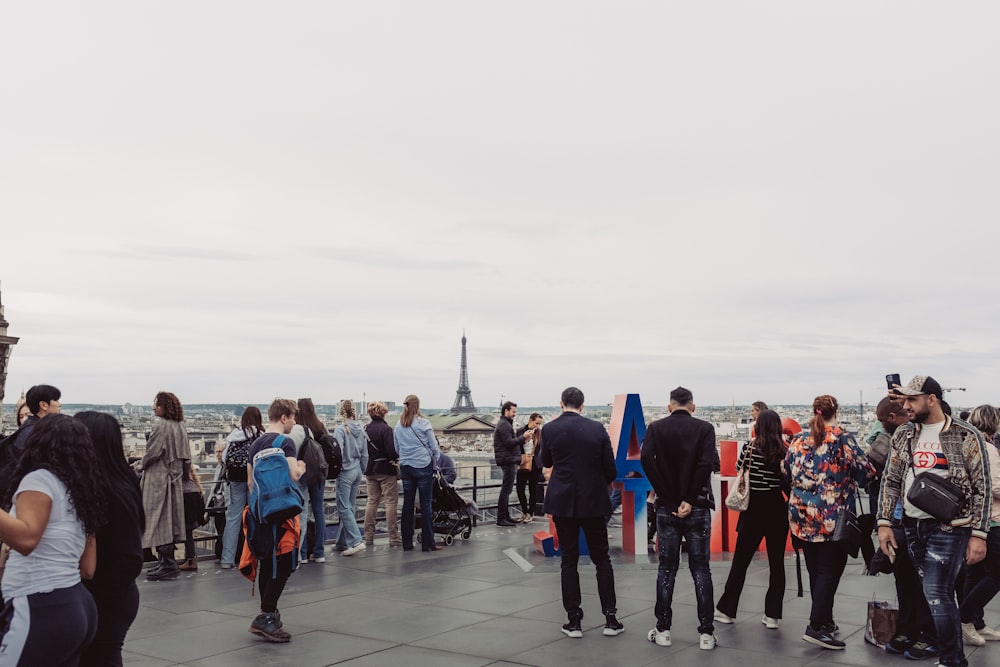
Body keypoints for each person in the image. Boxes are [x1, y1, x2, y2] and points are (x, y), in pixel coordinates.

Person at [877, 376, 990, 667]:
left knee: (937, 593)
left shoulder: (965, 434)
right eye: (904, 400)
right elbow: (890, 480)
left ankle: (952, 660)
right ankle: (952, 657)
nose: (905, 405)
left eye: (912, 399)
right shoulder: (904, 433)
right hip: (912, 526)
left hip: (950, 527)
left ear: (932, 399)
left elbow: (982, 488)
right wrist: (885, 523)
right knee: (936, 595)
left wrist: (979, 534)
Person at [0, 414, 104, 664]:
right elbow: (88, 568)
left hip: (40, 604)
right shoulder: (78, 491)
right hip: (78, 605)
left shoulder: (39, 480)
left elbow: (26, 539)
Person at [784, 394, 874, 650]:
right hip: (832, 517)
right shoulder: (841, 438)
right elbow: (866, 472)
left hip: (801, 515)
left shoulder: (799, 440)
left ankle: (825, 620)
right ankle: (814, 626)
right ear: (837, 411)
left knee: (817, 570)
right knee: (831, 570)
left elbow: (786, 469)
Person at [640, 386, 720, 650]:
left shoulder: (656, 428)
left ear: (669, 406)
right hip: (697, 507)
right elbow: (706, 464)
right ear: (693, 406)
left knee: (666, 568)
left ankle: (663, 629)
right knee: (701, 569)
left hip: (667, 508)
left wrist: (671, 498)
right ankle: (706, 633)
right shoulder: (705, 429)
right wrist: (689, 498)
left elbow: (645, 460)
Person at [540, 387, 622, 639]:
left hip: (563, 501)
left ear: (561, 403)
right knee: (602, 559)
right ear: (583, 405)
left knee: (569, 561)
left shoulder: (550, 429)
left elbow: (545, 462)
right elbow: (610, 468)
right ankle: (610, 618)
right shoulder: (596, 428)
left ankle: (573, 621)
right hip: (593, 501)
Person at [75, 411, 145, 666]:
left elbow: (128, 559)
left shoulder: (108, 490)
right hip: (116, 594)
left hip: (107, 596)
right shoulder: (122, 480)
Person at [872, 396, 938, 659]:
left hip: (926, 520)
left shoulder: (929, 437)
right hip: (901, 519)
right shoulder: (899, 438)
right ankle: (909, 628)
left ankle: (928, 633)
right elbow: (890, 481)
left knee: (928, 583)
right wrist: (885, 521)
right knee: (905, 578)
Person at [714, 409, 789, 629]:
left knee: (741, 562)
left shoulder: (749, 447)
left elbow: (740, 470)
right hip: (776, 509)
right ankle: (772, 615)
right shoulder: (784, 450)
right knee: (777, 564)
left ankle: (727, 610)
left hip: (753, 509)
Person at [241, 398, 306, 643]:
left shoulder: (255, 445)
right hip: (283, 511)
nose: (294, 422)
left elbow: (249, 483)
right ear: (283, 417)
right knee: (287, 560)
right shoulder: (285, 443)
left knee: (268, 560)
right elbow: (293, 474)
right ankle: (267, 614)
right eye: (293, 418)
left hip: (261, 511)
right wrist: (301, 466)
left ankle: (268, 613)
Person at [959, 404, 1000, 645]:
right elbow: (995, 486)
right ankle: (965, 618)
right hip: (992, 519)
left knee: (974, 574)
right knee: (996, 574)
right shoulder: (988, 449)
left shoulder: (969, 444)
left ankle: (976, 622)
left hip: (973, 519)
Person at [139, 391, 190, 581]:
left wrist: (137, 465)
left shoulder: (160, 425)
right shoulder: (180, 426)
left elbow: (152, 453)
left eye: (157, 405)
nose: (154, 408)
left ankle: (166, 562)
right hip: (175, 478)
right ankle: (167, 561)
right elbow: (186, 458)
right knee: (170, 520)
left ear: (164, 407)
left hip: (158, 478)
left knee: (156, 519)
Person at [394, 394, 441, 552]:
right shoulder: (423, 423)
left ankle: (407, 542)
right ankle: (428, 543)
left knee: (408, 505)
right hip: (423, 466)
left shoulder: (398, 425)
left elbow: (396, 448)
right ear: (418, 406)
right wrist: (435, 460)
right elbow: (434, 447)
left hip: (406, 467)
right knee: (426, 505)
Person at [220, 407, 263, 569]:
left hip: (236, 479)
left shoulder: (235, 435)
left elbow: (225, 458)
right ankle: (254, 556)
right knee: (255, 517)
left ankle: (227, 559)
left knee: (233, 518)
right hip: (255, 480)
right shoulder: (261, 436)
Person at [0, 384, 61, 497]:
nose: (59, 404)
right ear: (43, 405)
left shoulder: (32, 430)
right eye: (56, 400)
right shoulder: (34, 433)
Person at [332, 400, 369, 557]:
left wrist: (337, 469)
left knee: (343, 506)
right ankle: (342, 541)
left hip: (345, 471)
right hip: (357, 471)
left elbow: (337, 453)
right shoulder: (361, 429)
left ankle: (355, 541)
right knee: (350, 506)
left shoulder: (340, 430)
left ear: (341, 413)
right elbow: (365, 454)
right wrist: (362, 469)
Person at [295, 398, 329, 562]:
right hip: (318, 472)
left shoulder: (297, 429)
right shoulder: (320, 426)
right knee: (319, 511)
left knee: (302, 512)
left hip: (302, 472)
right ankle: (320, 552)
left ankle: (302, 552)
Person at [363, 401, 401, 546]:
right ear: (384, 412)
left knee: (372, 502)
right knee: (390, 502)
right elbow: (391, 451)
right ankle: (393, 536)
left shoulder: (365, 428)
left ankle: (368, 536)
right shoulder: (386, 429)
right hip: (385, 469)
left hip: (370, 469)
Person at [492, 401, 533, 526]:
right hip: (508, 460)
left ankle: (505, 516)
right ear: (506, 411)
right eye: (513, 412)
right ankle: (501, 518)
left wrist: (523, 439)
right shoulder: (504, 425)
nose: (515, 414)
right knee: (506, 490)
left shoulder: (504, 424)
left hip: (508, 459)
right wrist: (524, 437)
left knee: (507, 489)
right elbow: (509, 442)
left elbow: (510, 442)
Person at [178, 463, 207, 571]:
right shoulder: (193, 482)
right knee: (188, 532)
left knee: (186, 531)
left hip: (186, 497)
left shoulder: (180, 468)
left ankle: (190, 560)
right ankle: (190, 559)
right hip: (192, 497)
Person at [516, 412, 544, 523]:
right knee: (520, 489)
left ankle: (530, 513)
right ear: (530, 420)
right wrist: (525, 439)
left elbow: (542, 449)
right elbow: (516, 445)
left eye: (540, 424)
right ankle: (525, 511)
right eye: (536, 423)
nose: (538, 426)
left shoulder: (540, 434)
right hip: (523, 462)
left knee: (533, 489)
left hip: (535, 464)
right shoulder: (520, 432)